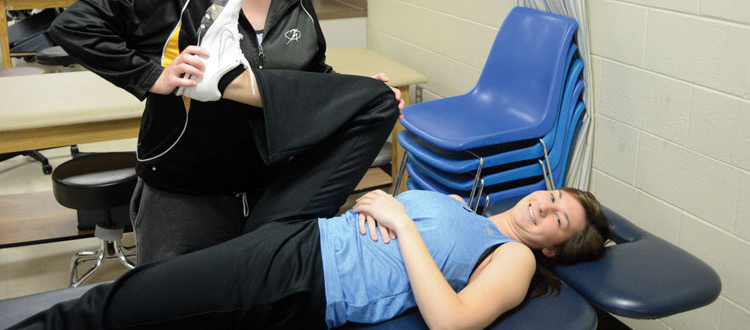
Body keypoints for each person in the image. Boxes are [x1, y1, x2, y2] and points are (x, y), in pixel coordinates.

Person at [48, 0, 403, 266]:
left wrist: (352, 94)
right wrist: (151, 76)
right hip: (186, 197)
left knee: (253, 301)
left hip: (272, 189)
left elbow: (309, 74)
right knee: (176, 307)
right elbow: (74, 24)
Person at [7, 182, 612, 329]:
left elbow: (452, 322)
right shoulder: (463, 204)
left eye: (559, 218)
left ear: (555, 245)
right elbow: (372, 211)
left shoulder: (515, 258)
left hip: (311, 282)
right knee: (151, 298)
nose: (545, 207)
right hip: (300, 242)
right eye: (553, 196)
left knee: (119, 306)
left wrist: (401, 221)